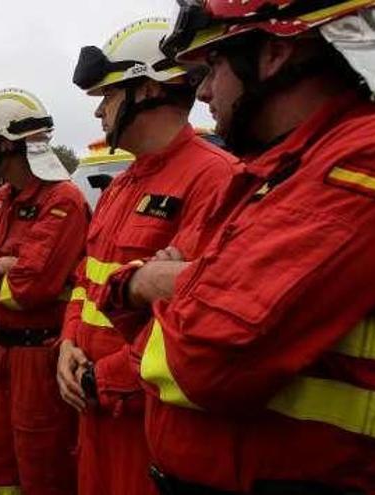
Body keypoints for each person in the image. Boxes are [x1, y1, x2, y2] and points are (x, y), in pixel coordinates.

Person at [101, 1, 375, 493]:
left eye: (214, 66)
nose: (200, 92)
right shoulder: (270, 168)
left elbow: (204, 361)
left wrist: (149, 284)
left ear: (275, 53)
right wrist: (144, 285)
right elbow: (136, 303)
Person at [56, 18, 239, 495]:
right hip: (94, 409)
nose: (99, 113)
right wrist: (67, 344)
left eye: (108, 96)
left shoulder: (216, 180)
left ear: (148, 90)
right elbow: (85, 279)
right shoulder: (120, 186)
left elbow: (195, 320)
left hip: (149, 420)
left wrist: (103, 378)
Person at [0, 88, 87, 495]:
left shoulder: (64, 200)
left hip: (39, 358)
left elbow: (27, 289)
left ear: (6, 145)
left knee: (41, 468)